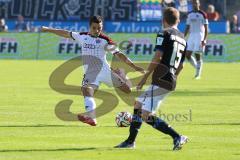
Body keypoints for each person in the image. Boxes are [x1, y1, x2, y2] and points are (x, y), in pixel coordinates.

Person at [41, 15, 145, 126]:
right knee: (86, 91)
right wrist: (48, 29)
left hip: (105, 71)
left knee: (128, 90)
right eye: (94, 28)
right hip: (91, 74)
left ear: (102, 27)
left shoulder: (106, 41)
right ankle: (92, 118)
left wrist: (134, 67)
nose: (97, 30)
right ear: (89, 27)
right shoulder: (82, 36)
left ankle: (141, 111)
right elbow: (65, 33)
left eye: (99, 28)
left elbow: (119, 55)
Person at [115, 7, 188, 151]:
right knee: (138, 105)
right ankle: (130, 141)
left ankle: (177, 136)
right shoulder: (182, 38)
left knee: (146, 115)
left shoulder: (164, 33)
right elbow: (182, 66)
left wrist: (143, 79)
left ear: (163, 20)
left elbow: (157, 57)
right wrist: (173, 78)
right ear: (178, 20)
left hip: (162, 79)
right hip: (169, 79)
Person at [184, 0, 208, 79]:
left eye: (196, 3)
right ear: (192, 4)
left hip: (199, 35)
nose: (195, 4)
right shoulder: (190, 14)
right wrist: (183, 36)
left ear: (199, 4)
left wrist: (204, 39)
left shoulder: (203, 14)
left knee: (197, 55)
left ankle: (198, 75)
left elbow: (206, 28)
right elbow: (187, 26)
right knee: (187, 55)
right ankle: (198, 68)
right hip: (191, 35)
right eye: (193, 3)